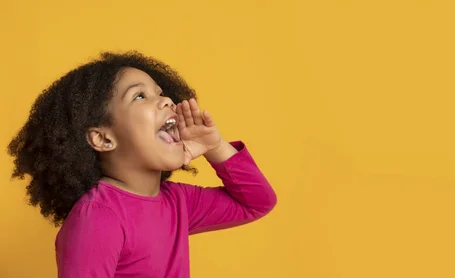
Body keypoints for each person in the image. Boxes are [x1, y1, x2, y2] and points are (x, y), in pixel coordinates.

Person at [7, 51, 277, 277]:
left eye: (161, 94)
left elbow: (255, 202)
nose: (166, 101)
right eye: (140, 96)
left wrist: (215, 146)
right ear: (102, 138)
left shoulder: (178, 202)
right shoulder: (98, 218)